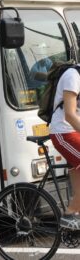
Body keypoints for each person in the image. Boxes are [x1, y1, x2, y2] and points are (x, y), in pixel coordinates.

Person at [49, 66, 80, 230]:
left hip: (74, 132)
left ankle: (76, 214)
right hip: (63, 132)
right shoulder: (72, 76)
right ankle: (70, 214)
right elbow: (69, 114)